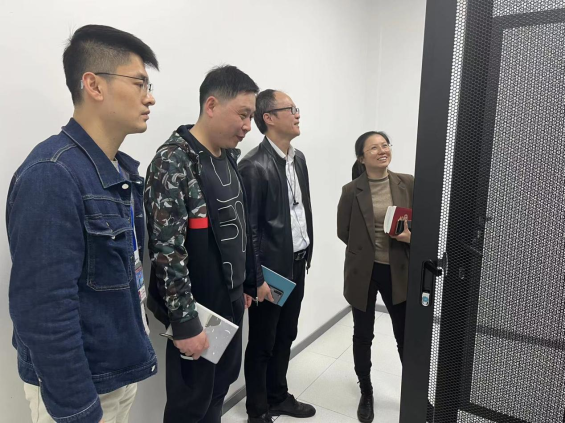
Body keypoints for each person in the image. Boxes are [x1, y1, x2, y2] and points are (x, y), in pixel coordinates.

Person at [6, 25, 159, 423]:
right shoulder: (52, 174)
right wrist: (79, 410)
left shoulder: (118, 171)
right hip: (79, 392)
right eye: (139, 83)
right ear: (93, 85)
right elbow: (43, 311)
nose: (150, 97)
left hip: (116, 372)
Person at [144, 65, 263, 423]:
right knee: (190, 405)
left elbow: (240, 226)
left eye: (251, 116)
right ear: (211, 105)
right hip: (198, 313)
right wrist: (185, 323)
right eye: (243, 114)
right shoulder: (174, 161)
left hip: (230, 304)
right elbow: (167, 253)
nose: (248, 126)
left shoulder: (227, 157)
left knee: (218, 391)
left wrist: (246, 281)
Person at [239, 89, 315, 423]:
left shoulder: (298, 159)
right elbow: (250, 230)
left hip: (297, 263)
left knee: (286, 335)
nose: (297, 114)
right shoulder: (252, 166)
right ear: (268, 118)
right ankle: (257, 410)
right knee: (262, 342)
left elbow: (300, 211)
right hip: (270, 272)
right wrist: (256, 279)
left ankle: (278, 396)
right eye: (291, 109)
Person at [337, 131, 413, 423]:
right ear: (361, 158)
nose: (382, 151)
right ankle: (366, 391)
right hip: (363, 273)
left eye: (385, 145)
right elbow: (343, 231)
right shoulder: (351, 190)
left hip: (398, 271)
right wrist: (366, 251)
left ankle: (414, 391)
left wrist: (411, 237)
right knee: (363, 334)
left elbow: (423, 224)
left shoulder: (407, 183)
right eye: (374, 148)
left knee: (405, 335)